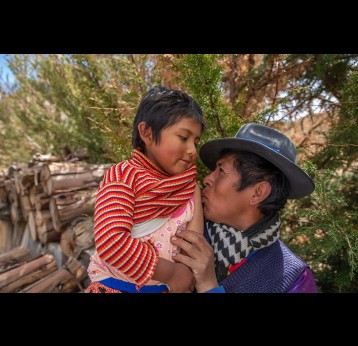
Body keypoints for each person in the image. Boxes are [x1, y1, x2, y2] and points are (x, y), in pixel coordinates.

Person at [171, 123, 317, 293]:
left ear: (258, 192)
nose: (207, 179)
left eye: (221, 171)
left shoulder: (293, 280)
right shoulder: (180, 229)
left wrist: (208, 286)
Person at [86, 86, 206, 293]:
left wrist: (185, 274)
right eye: (184, 138)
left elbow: (194, 244)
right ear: (147, 133)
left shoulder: (189, 187)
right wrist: (172, 274)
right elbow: (111, 242)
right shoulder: (124, 176)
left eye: (196, 141)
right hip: (114, 287)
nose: (192, 151)